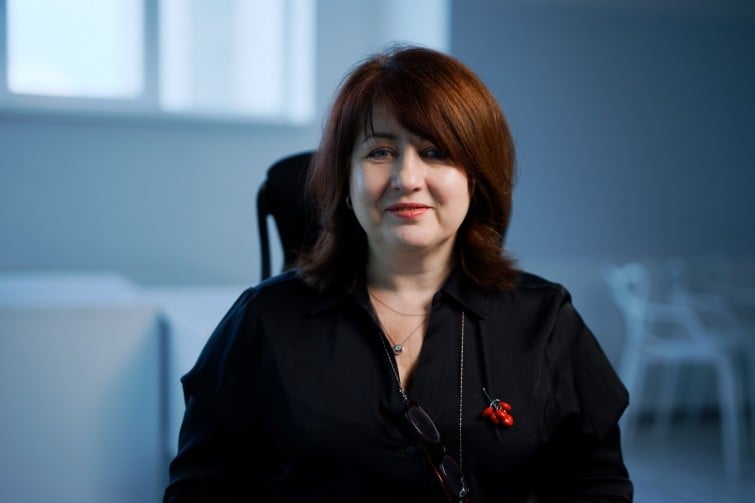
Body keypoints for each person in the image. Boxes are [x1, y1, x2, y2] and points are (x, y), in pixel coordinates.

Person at [163, 44, 633, 502]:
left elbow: (597, 486)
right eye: (380, 152)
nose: (407, 178)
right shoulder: (263, 320)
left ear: (474, 179)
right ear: (345, 181)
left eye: (435, 151)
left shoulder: (545, 322)